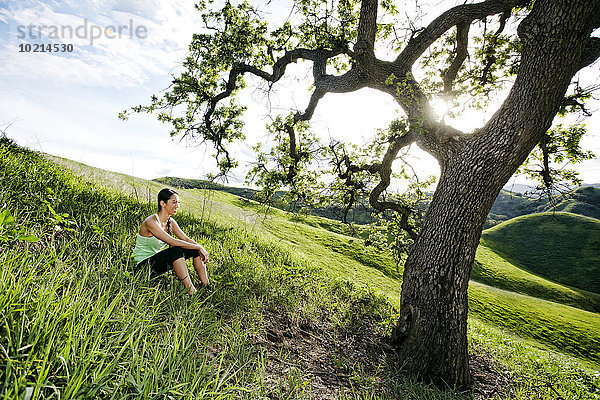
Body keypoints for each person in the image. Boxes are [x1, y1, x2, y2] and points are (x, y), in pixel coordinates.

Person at [133, 188, 209, 295]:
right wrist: (198, 247)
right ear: (162, 203)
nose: (177, 206)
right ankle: (191, 292)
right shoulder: (151, 221)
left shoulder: (171, 222)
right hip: (144, 266)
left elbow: (186, 239)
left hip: (157, 261)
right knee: (176, 251)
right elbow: (172, 242)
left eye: (178, 203)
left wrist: (199, 247)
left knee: (193, 249)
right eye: (174, 202)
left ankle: (206, 285)